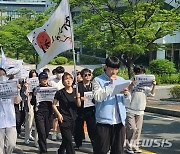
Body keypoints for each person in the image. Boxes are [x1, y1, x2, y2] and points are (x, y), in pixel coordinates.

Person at [92, 56, 131, 154]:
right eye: (112, 68)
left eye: (116, 69)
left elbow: (127, 103)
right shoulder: (98, 80)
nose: (114, 72)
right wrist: (110, 85)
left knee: (118, 150)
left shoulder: (121, 80)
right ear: (106, 67)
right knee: (101, 150)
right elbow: (98, 97)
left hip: (119, 122)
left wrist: (126, 95)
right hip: (103, 122)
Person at [125, 65, 156, 154]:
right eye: (139, 73)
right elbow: (126, 91)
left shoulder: (147, 83)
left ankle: (135, 146)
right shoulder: (132, 80)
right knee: (132, 128)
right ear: (136, 73)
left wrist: (154, 85)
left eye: (142, 72)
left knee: (138, 129)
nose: (141, 74)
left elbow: (151, 94)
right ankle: (128, 146)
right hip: (130, 108)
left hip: (141, 109)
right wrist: (131, 84)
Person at [52, 72, 81, 154]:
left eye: (70, 78)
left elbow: (79, 105)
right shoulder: (60, 93)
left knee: (66, 139)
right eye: (66, 79)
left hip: (74, 118)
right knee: (69, 140)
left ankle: (60, 151)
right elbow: (54, 105)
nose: (68, 80)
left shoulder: (76, 91)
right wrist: (59, 114)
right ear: (63, 82)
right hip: (64, 119)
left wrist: (78, 98)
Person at [74, 68, 96, 152]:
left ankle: (95, 145)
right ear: (82, 76)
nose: (87, 77)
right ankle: (78, 143)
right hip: (80, 109)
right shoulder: (78, 85)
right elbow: (74, 96)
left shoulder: (94, 85)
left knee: (92, 128)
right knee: (78, 128)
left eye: (89, 75)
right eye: (85, 75)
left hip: (91, 110)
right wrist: (79, 98)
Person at [0, 67, 21, 154]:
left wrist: (16, 91)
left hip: (10, 121)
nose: (2, 77)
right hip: (0, 122)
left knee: (11, 144)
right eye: (0, 75)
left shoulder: (11, 87)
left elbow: (17, 101)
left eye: (3, 75)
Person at [32, 72, 53, 154]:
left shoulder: (51, 88)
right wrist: (34, 95)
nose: (44, 80)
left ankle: (42, 144)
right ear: (39, 80)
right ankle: (43, 150)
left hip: (49, 112)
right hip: (39, 112)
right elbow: (32, 102)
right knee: (41, 132)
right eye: (42, 79)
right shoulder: (36, 89)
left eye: (46, 79)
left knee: (47, 130)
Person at [49, 66, 65, 141]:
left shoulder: (64, 81)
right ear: (56, 73)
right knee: (55, 118)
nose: (60, 75)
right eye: (59, 73)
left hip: (63, 102)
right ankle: (54, 132)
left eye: (62, 73)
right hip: (55, 102)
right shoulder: (52, 82)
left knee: (61, 118)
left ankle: (59, 132)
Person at [24, 69, 38, 147]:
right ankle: (27, 138)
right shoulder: (26, 84)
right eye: (32, 76)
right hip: (30, 102)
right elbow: (25, 95)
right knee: (29, 120)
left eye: (35, 76)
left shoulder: (40, 84)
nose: (34, 78)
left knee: (37, 122)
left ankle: (37, 141)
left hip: (38, 103)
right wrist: (26, 88)